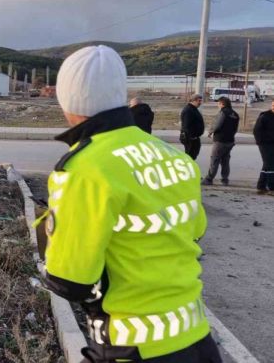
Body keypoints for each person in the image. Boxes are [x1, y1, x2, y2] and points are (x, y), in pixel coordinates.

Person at [35, 45, 221, 363]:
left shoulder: (83, 168)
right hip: (198, 340)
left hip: (133, 347)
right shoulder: (172, 156)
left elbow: (70, 280)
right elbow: (194, 231)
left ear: (66, 100)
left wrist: (46, 227)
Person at [202, 97, 239, 186]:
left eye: (218, 103)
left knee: (215, 159)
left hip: (220, 140)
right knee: (225, 161)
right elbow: (236, 128)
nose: (218, 105)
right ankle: (225, 179)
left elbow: (217, 125)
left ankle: (209, 179)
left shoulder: (223, 112)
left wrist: (210, 131)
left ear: (222, 104)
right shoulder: (235, 114)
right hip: (230, 141)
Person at [253, 99, 274, 194]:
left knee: (267, 164)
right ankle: (271, 187)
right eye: (273, 105)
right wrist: (260, 142)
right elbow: (257, 130)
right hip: (265, 144)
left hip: (272, 144)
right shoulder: (265, 116)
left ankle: (261, 186)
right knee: (271, 164)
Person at [180, 94, 204, 159]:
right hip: (190, 139)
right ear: (194, 100)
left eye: (200, 101)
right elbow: (186, 126)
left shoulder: (193, 109)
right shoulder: (188, 110)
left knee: (193, 155)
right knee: (189, 157)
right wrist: (191, 137)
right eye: (199, 101)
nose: (200, 103)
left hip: (194, 138)